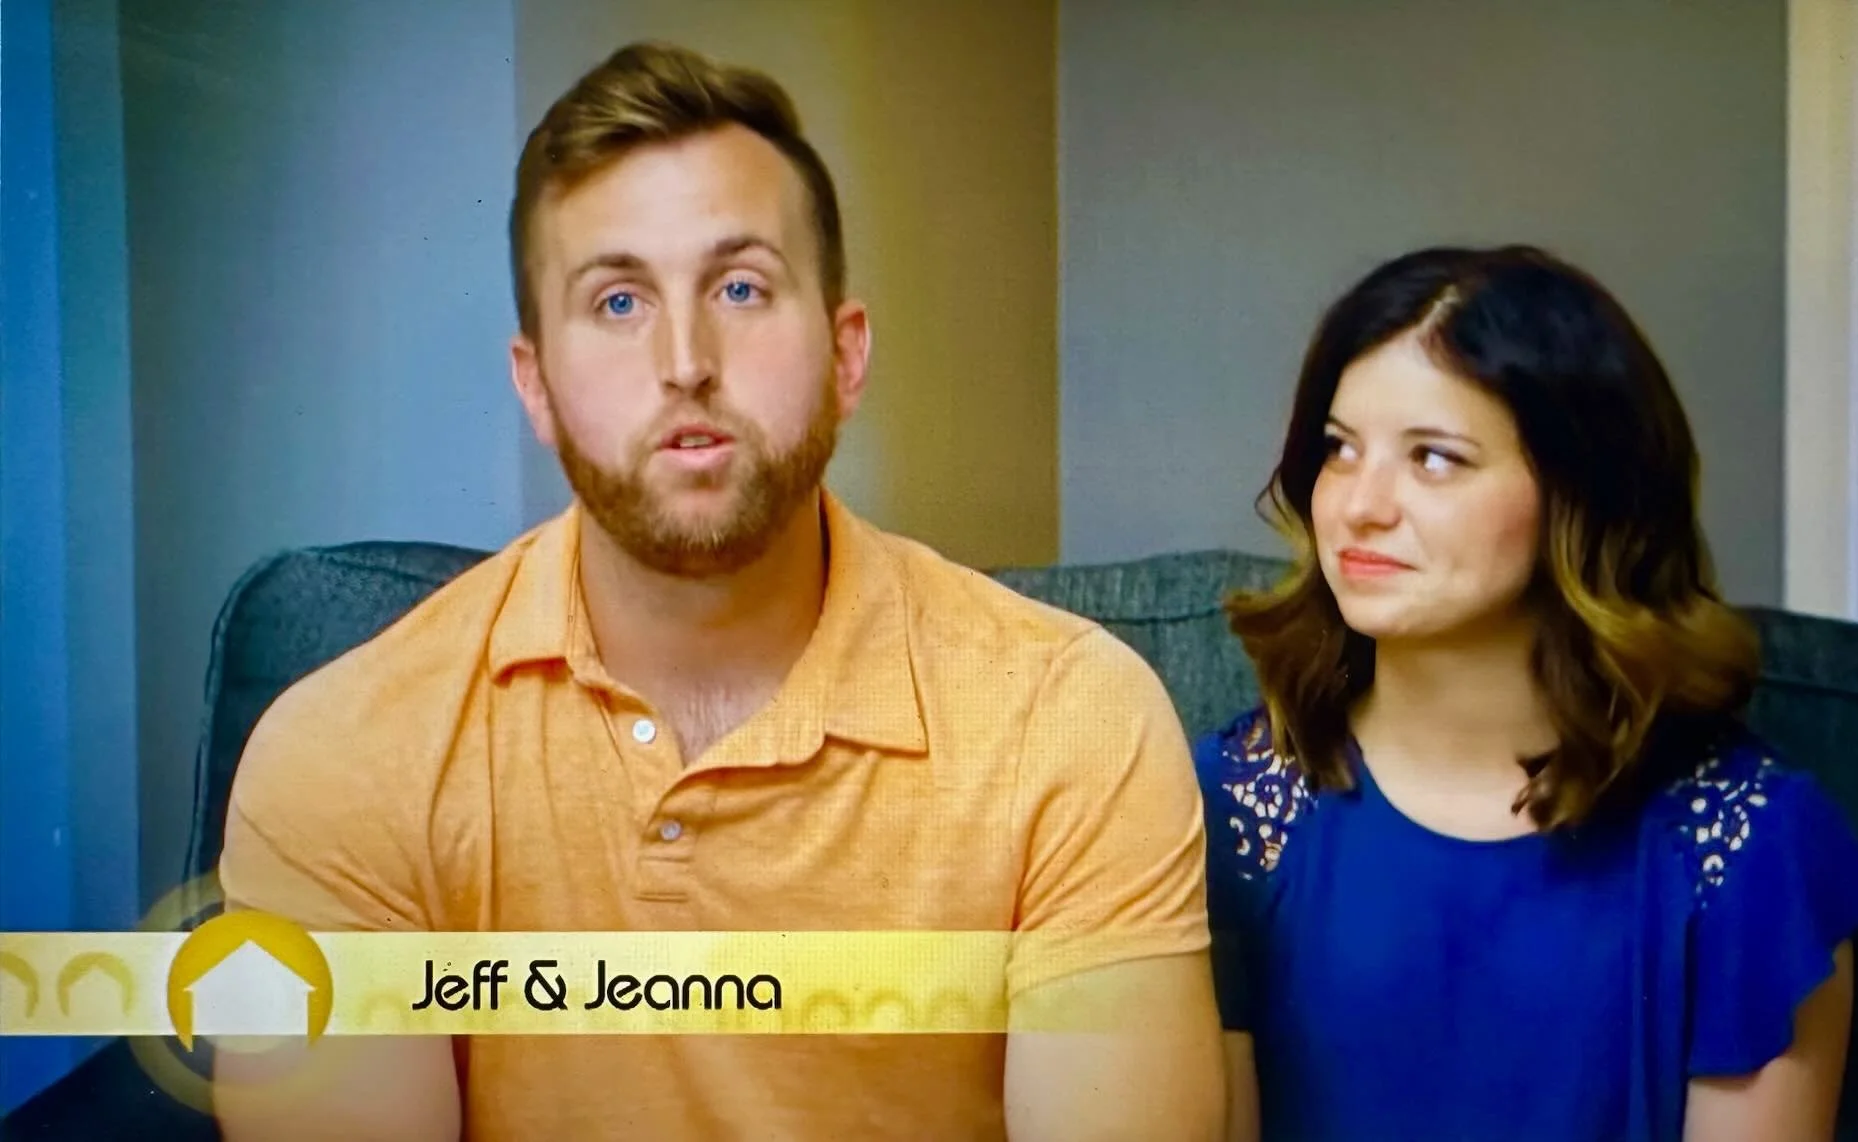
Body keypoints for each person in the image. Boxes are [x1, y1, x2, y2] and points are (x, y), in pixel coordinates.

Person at [211, 40, 1225, 1142]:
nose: (685, 358)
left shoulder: (1076, 722)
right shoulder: (344, 755)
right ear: (536, 386)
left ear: (844, 356)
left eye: (741, 288)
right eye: (617, 302)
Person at [1196, 245, 1858, 1142]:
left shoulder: (1753, 846)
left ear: (1583, 495)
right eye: (1340, 449)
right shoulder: (1221, 809)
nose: (1359, 505)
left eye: (1435, 458)